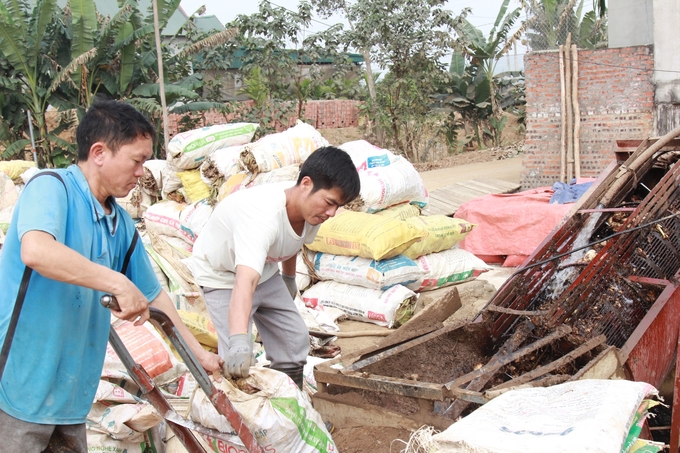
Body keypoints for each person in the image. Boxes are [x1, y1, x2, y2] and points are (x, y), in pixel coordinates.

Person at [0, 100, 222, 453]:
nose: (141, 172)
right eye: (136, 161)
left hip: (71, 393)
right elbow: (37, 251)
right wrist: (117, 283)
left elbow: (155, 297)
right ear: (99, 152)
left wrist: (200, 356)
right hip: (19, 384)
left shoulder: (120, 225)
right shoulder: (51, 188)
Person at [191, 146, 360, 388]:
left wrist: (289, 278)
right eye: (330, 202)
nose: (332, 213)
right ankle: (241, 418)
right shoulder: (262, 217)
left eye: (337, 206)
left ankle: (290, 407)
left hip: (264, 271)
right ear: (306, 184)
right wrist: (239, 340)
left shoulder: (312, 211)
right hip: (222, 275)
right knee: (236, 359)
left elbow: (292, 240)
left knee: (294, 339)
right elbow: (244, 281)